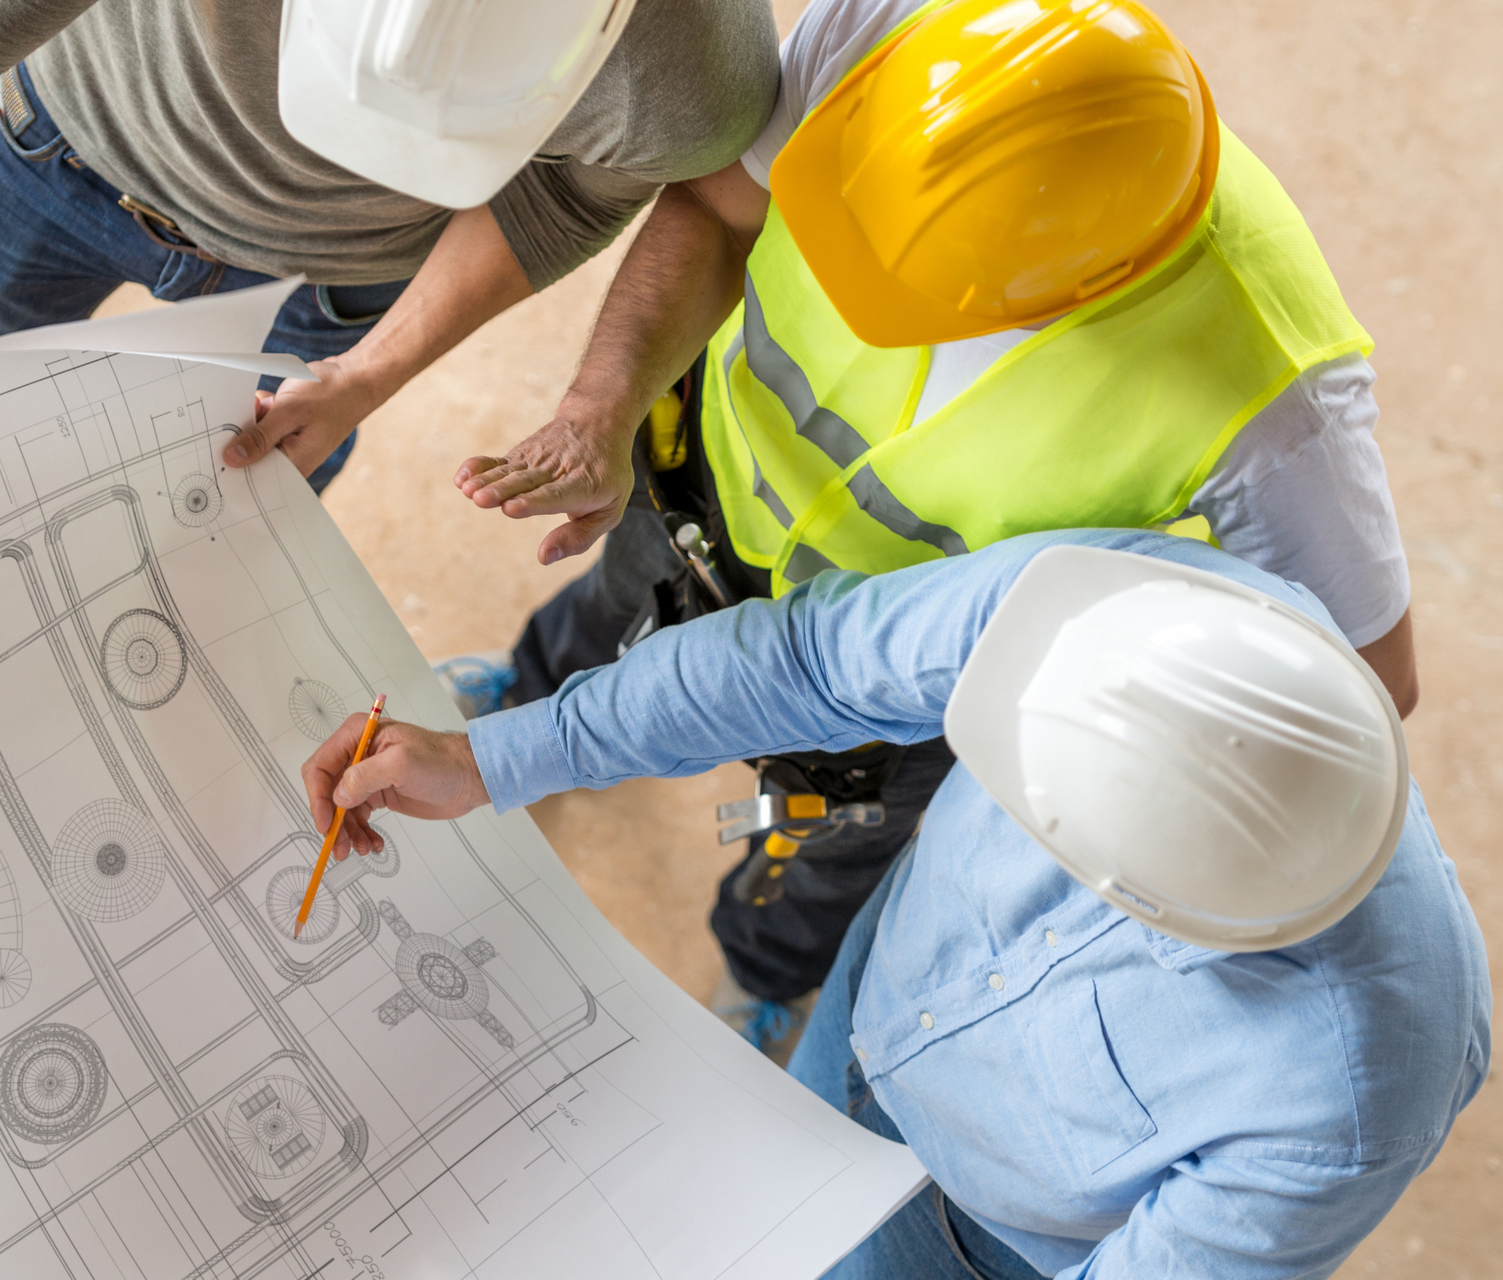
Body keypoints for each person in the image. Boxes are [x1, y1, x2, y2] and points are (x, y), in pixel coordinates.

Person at [448, 0, 1420, 1050]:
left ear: (1074, 295)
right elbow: (722, 211)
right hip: (699, 501)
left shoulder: (1276, 400)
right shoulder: (909, 34)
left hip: (890, 691)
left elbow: (1367, 684)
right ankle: (528, 693)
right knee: (607, 611)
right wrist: (604, 401)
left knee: (812, 852)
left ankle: (765, 973)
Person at [306, 529, 1490, 1279]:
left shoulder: (1349, 1096)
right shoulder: (1136, 620)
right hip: (869, 1008)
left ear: (1157, 909)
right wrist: (504, 755)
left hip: (967, 1245)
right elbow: (804, 663)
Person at [0, 0, 778, 496]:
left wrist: (372, 372)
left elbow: (562, 202)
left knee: (228, 519)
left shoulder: (688, 72)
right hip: (57, 154)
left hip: (333, 287)